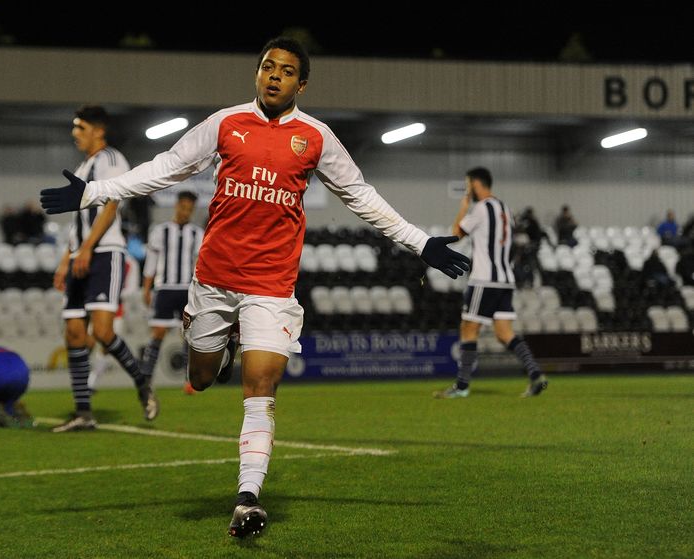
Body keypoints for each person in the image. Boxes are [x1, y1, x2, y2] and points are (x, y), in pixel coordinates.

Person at [41, 37, 469, 537]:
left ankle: (247, 498)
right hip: (215, 279)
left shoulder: (316, 137)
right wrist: (94, 191)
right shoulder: (225, 123)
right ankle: (217, 351)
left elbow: (361, 196)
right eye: (267, 66)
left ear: (301, 84)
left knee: (261, 387)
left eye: (286, 71)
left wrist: (421, 243)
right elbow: (165, 168)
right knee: (200, 378)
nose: (274, 76)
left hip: (270, 285)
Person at [51, 104, 157, 432]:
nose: (74, 134)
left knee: (103, 332)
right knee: (74, 332)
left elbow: (111, 207)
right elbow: (77, 220)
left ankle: (142, 383)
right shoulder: (83, 168)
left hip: (106, 253)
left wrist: (86, 248)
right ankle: (84, 412)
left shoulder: (113, 160)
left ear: (99, 130)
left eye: (80, 127)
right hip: (80, 254)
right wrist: (66, 259)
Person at [435, 167, 548, 399]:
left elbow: (456, 233)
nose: (467, 189)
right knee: (504, 333)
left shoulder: (481, 208)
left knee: (468, 329)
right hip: (505, 280)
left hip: (484, 279)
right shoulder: (504, 208)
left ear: (476, 184)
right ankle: (535, 374)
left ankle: (462, 386)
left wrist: (463, 206)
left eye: (468, 185)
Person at [140, 191, 204, 387]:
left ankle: (189, 380)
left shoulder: (197, 233)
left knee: (188, 333)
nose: (186, 212)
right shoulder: (160, 231)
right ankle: (146, 376)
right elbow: (152, 261)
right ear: (177, 206)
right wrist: (146, 288)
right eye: (183, 207)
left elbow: (200, 264)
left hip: (187, 288)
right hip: (165, 288)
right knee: (158, 331)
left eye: (189, 209)